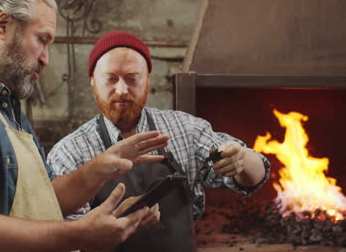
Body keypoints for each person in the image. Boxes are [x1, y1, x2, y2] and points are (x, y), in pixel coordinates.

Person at [0, 0, 170, 252]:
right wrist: (81, 234)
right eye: (42, 39)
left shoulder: (4, 105)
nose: (45, 59)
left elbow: (47, 198)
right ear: (3, 25)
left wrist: (100, 168)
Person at [47, 30, 271, 251]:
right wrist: (119, 220)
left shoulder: (185, 130)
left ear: (147, 81)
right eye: (111, 79)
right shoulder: (70, 152)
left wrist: (243, 160)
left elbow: (255, 176)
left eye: (133, 78)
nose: (122, 90)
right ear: (93, 81)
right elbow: (65, 240)